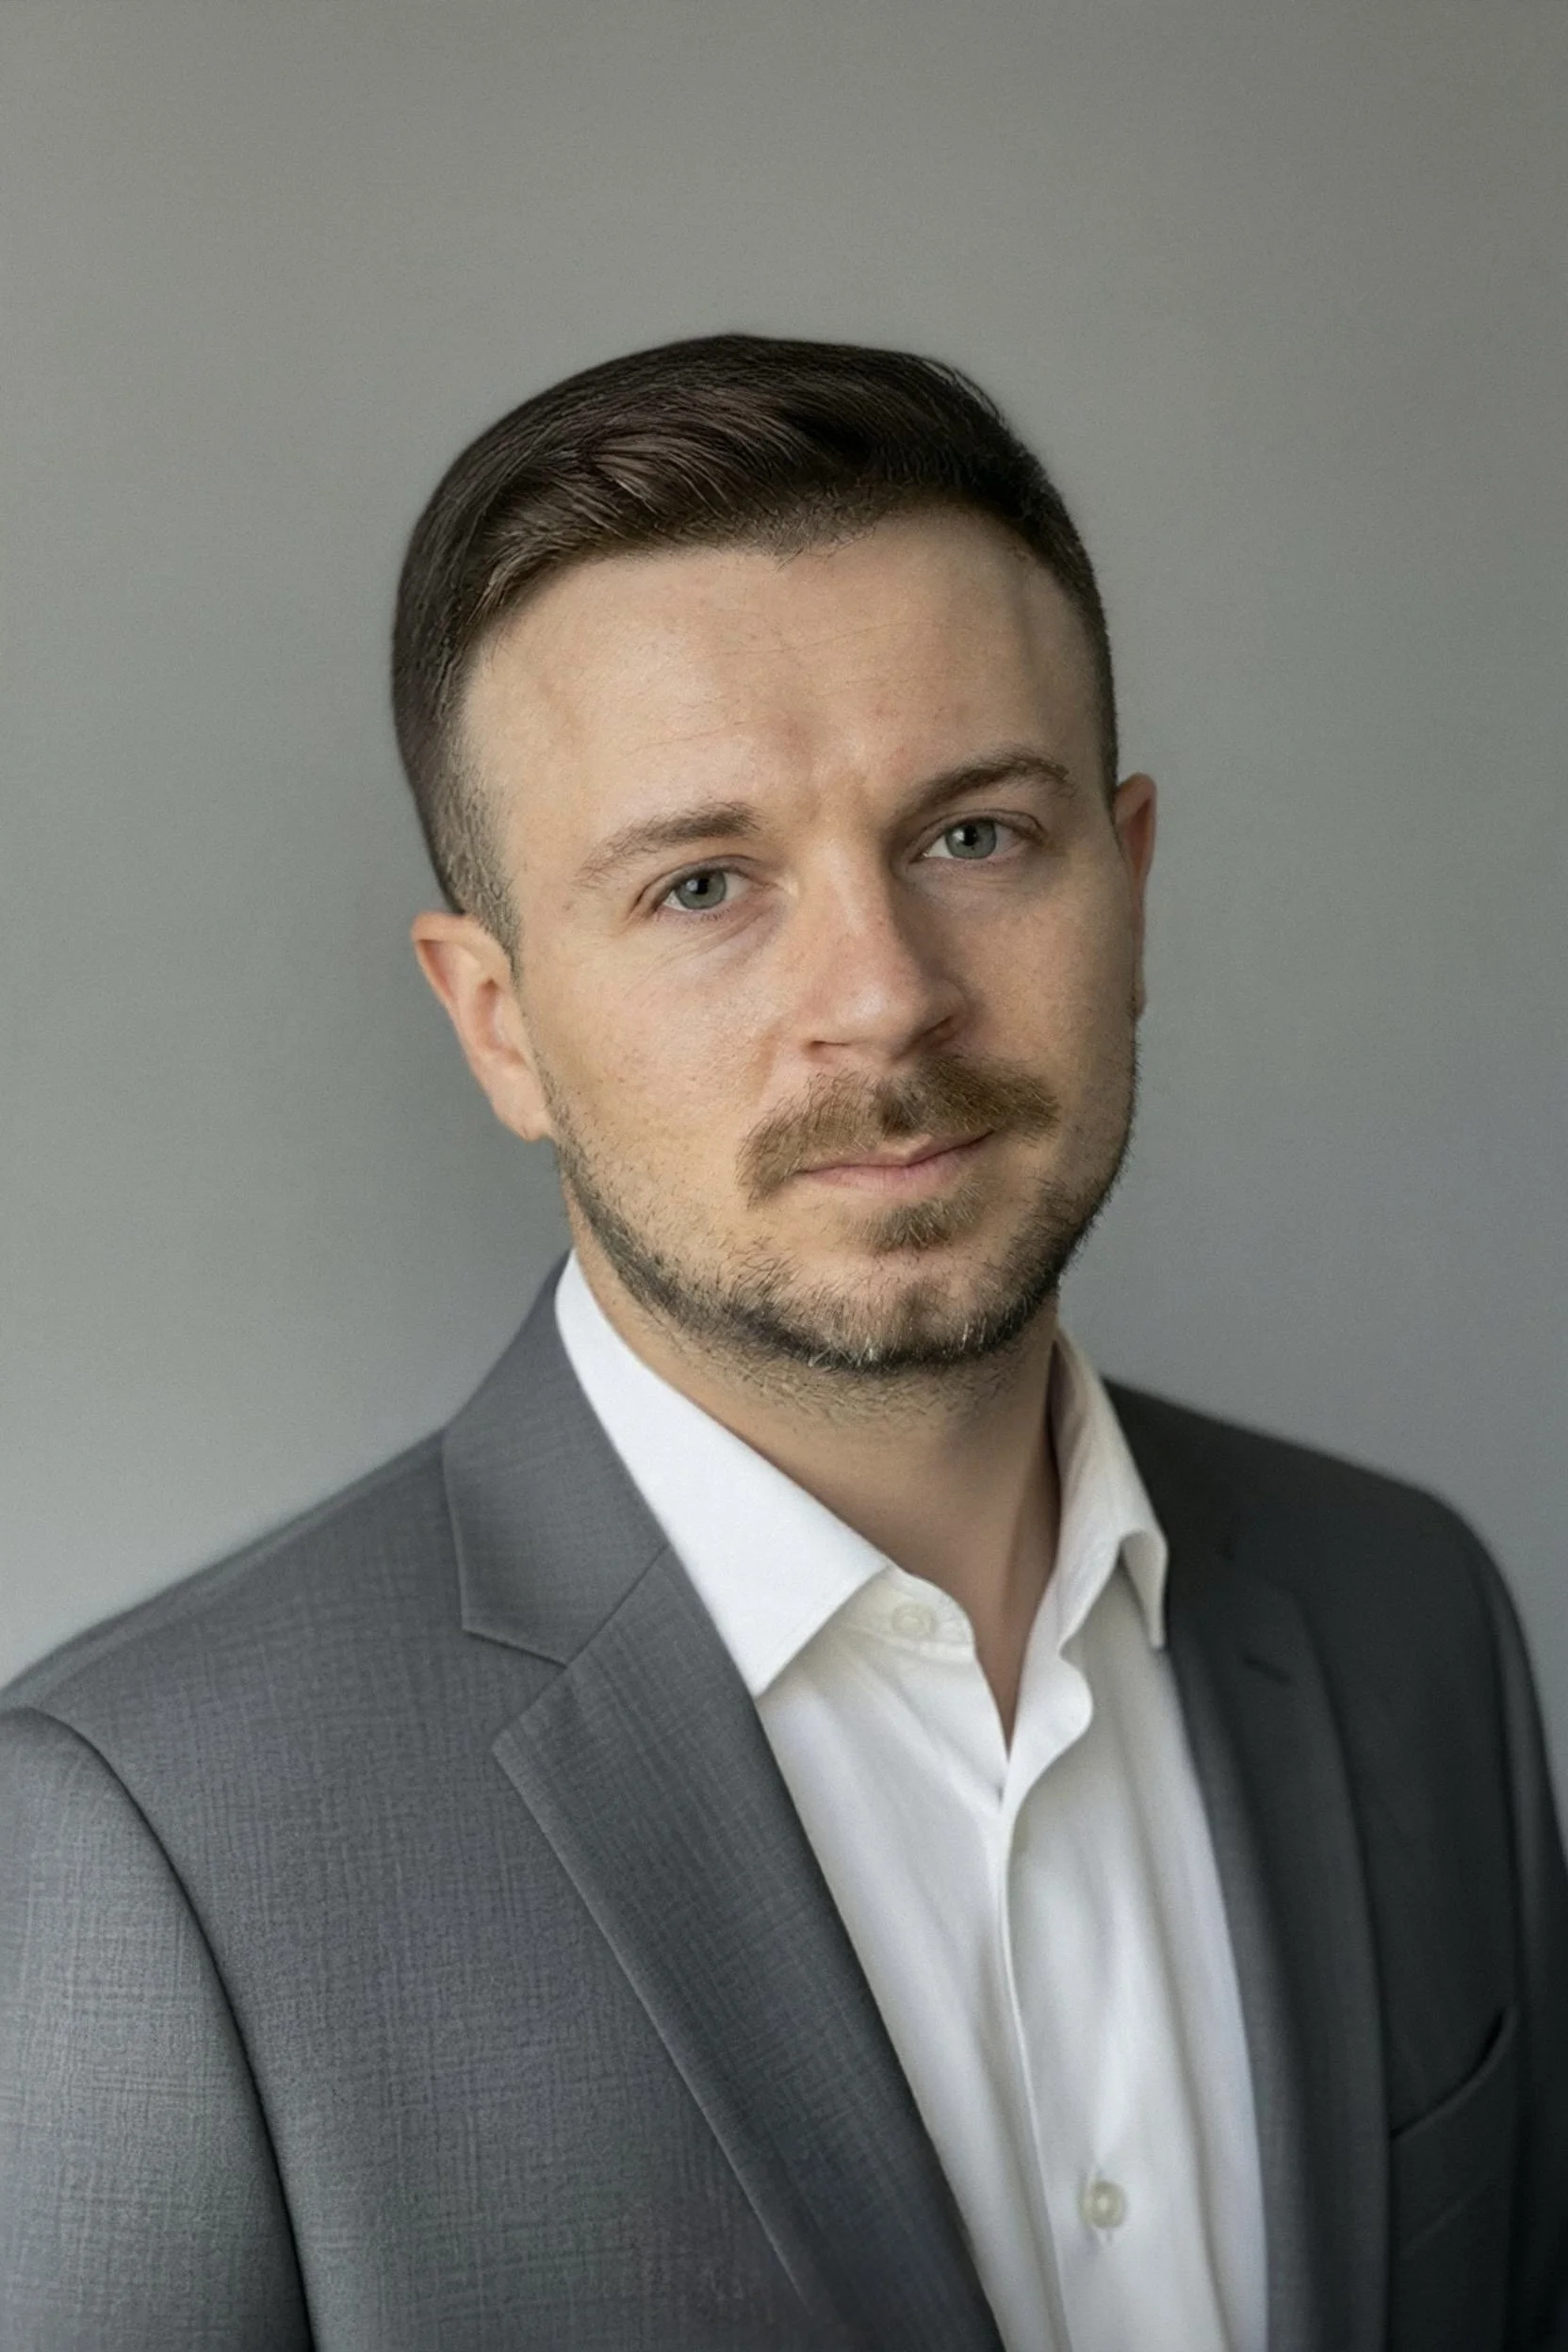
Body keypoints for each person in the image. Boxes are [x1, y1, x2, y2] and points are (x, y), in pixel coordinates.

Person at [2, 334, 1563, 2352]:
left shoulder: (1407, 1615)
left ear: (1131, 885)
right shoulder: (147, 1841)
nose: (883, 997)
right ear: (497, 1023)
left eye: (976, 836)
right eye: (704, 885)